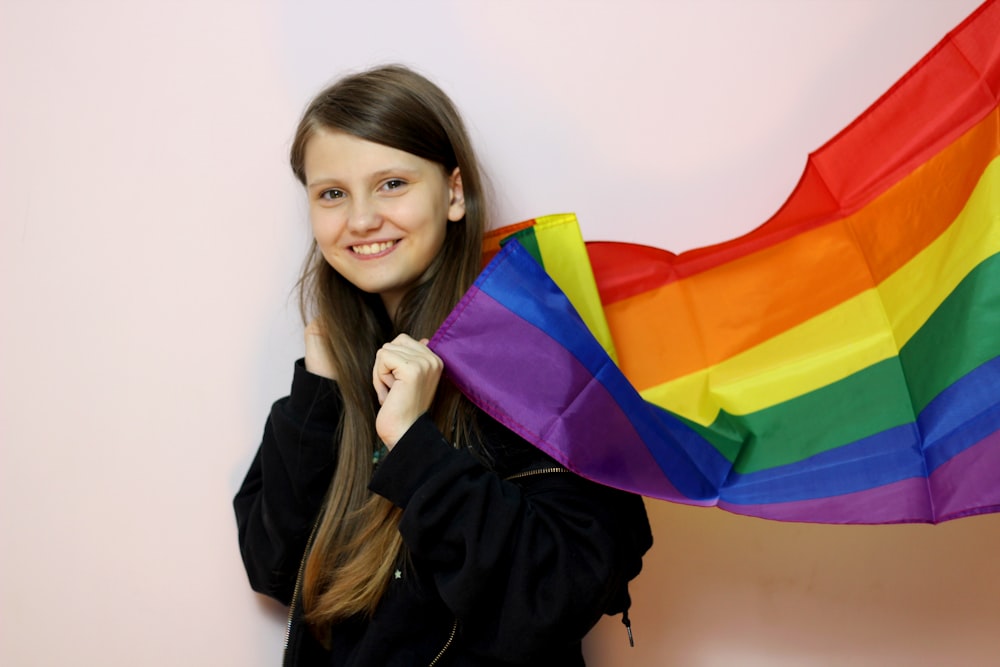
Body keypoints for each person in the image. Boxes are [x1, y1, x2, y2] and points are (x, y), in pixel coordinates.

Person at [233, 64, 653, 666]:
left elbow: (561, 592)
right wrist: (318, 392)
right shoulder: (345, 366)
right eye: (332, 194)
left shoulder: (540, 360)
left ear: (454, 192)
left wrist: (412, 445)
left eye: (392, 184)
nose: (360, 220)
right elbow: (276, 568)